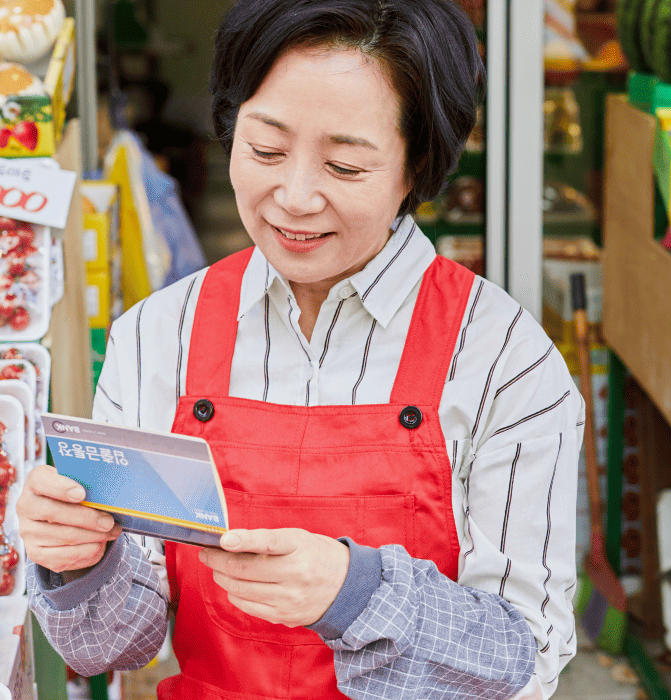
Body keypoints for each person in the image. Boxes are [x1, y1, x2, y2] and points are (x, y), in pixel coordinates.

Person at [17, 1, 582, 698]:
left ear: (418, 166)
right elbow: (113, 646)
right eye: (265, 150)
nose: (293, 196)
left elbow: (522, 656)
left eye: (344, 166)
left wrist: (357, 594)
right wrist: (80, 561)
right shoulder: (159, 333)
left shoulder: (504, 360)